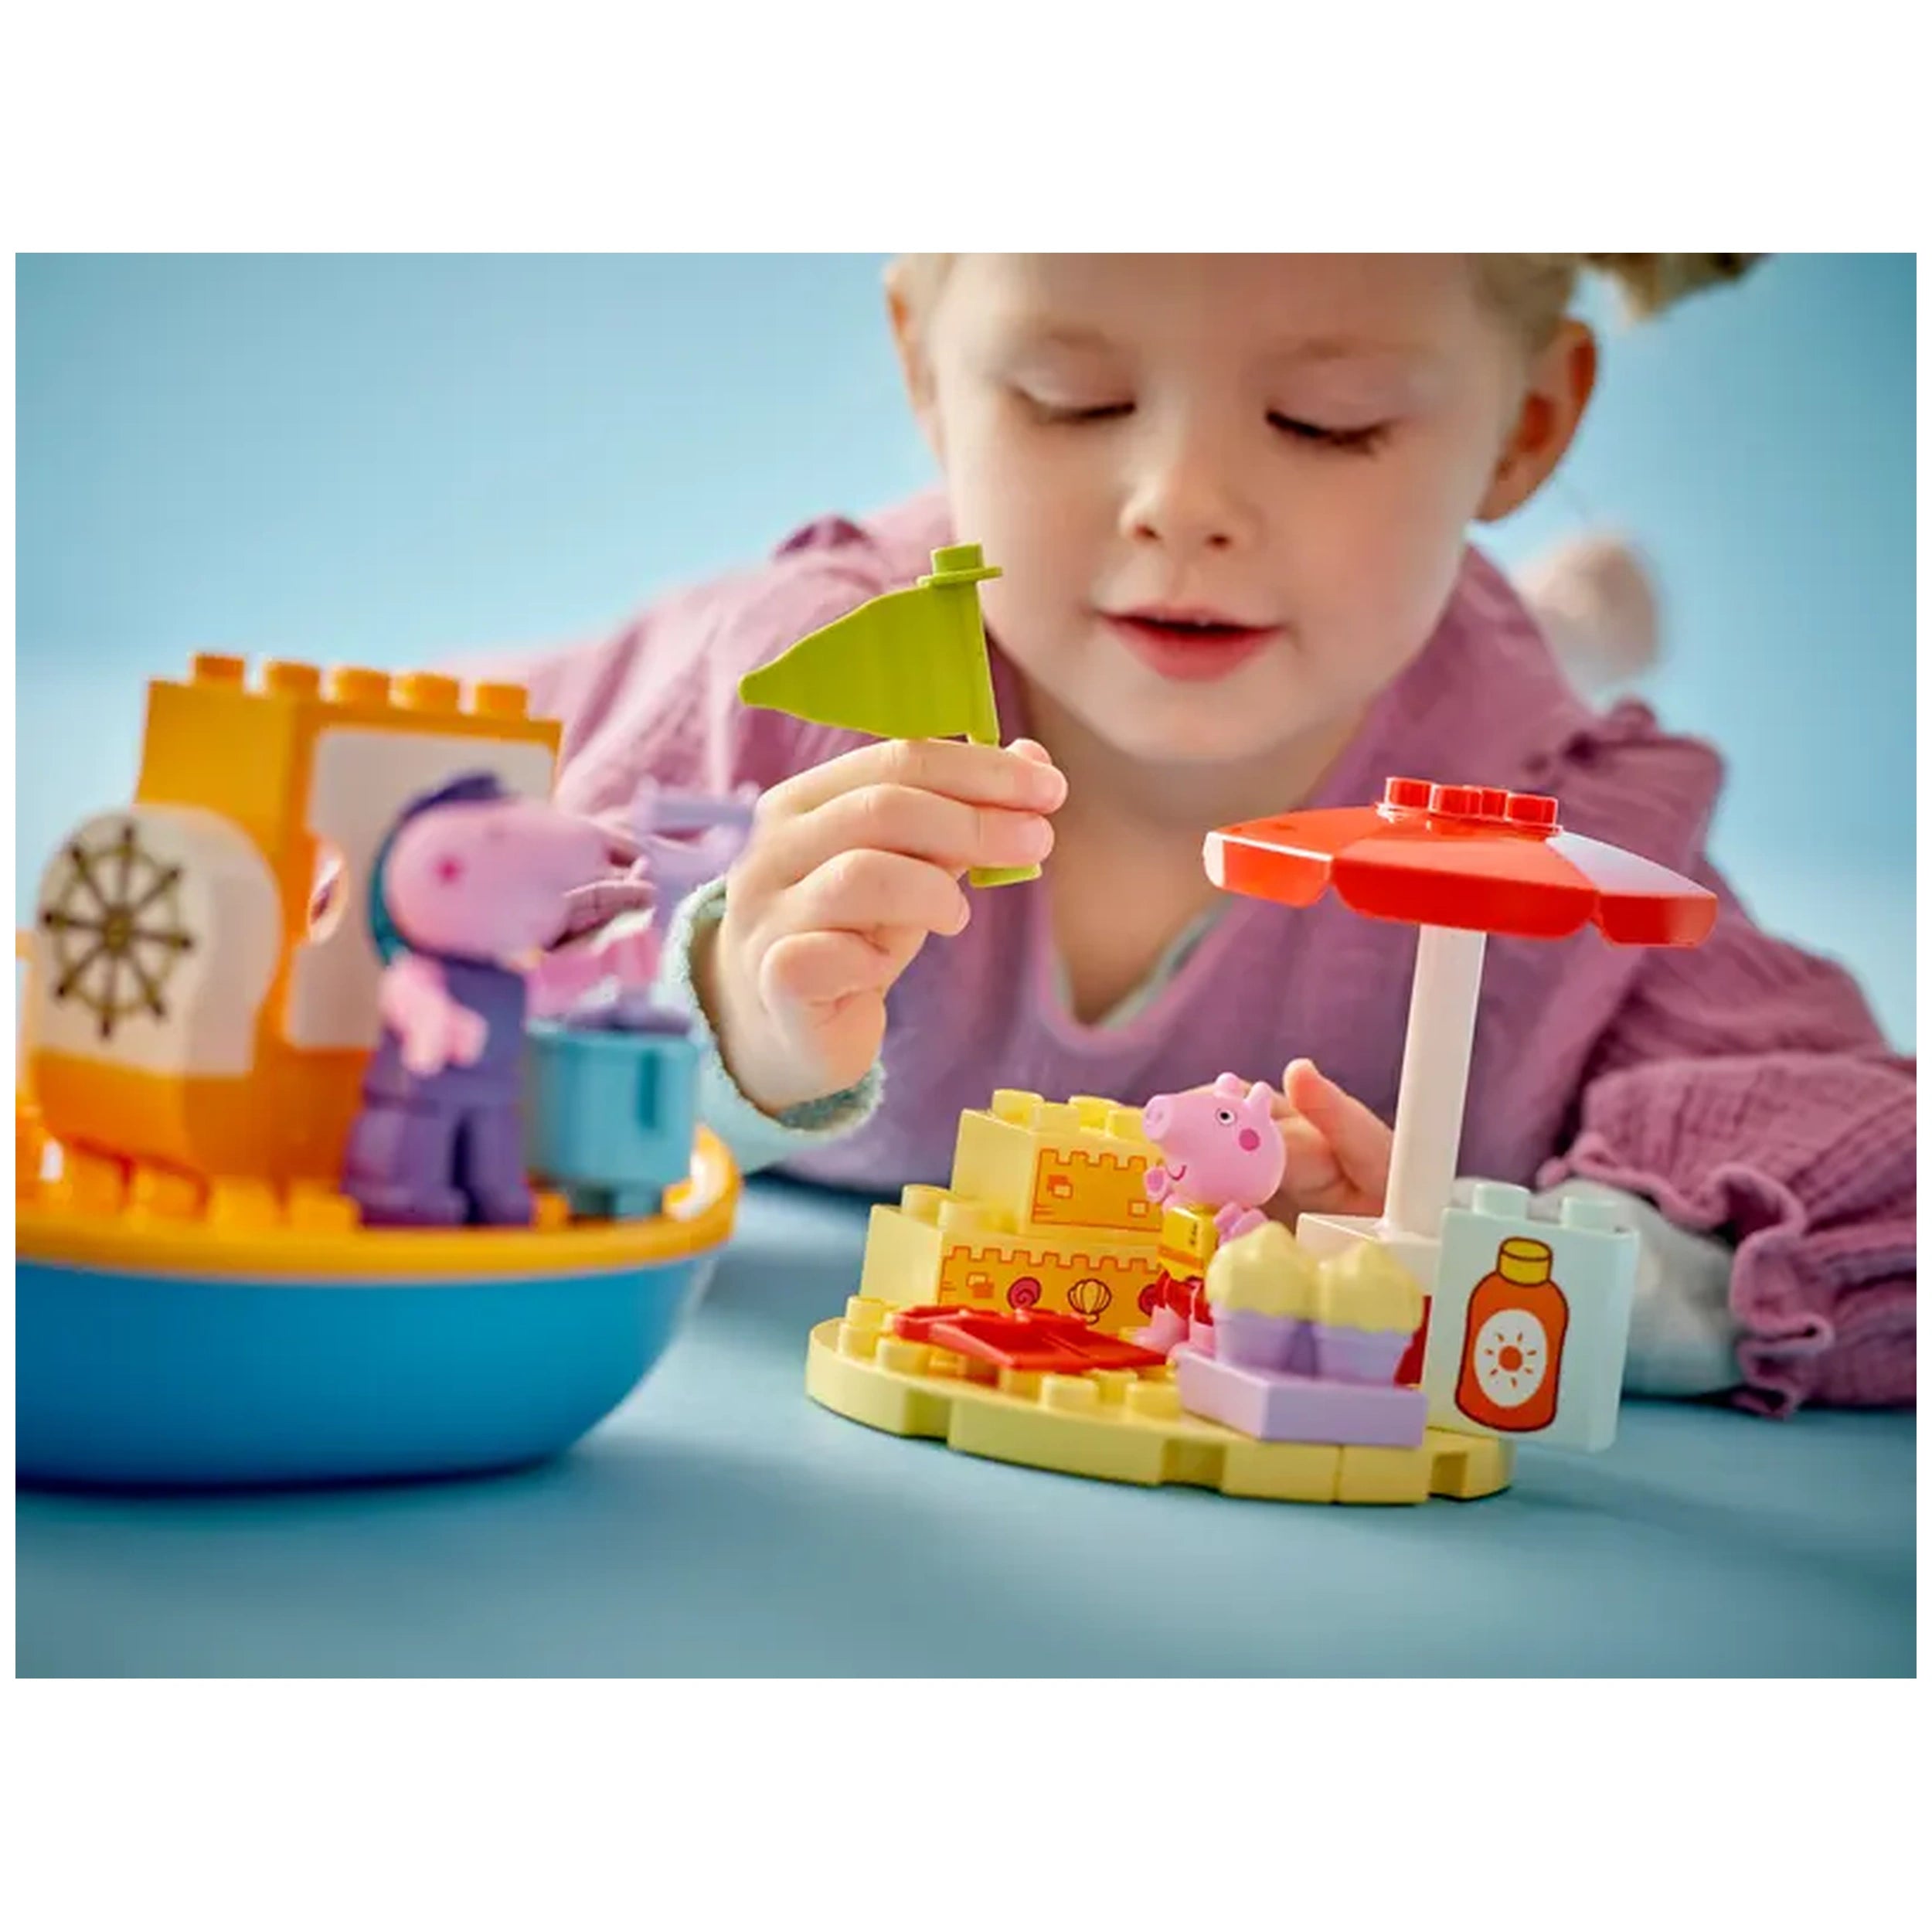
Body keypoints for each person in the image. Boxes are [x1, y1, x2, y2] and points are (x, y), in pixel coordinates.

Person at [461, 255, 1913, 1417]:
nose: (1183, 507)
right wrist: (719, 1029)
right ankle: (1566, 601)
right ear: (926, 366)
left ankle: (1562, 619)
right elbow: (436, 1001)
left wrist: (1445, 1272)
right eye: (1071, 397)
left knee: (1495, 655)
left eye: (1328, 423)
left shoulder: (1560, 818)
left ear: (1526, 426)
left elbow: (1869, 1196)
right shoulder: (809, 685)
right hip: (546, 706)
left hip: (1458, 688)